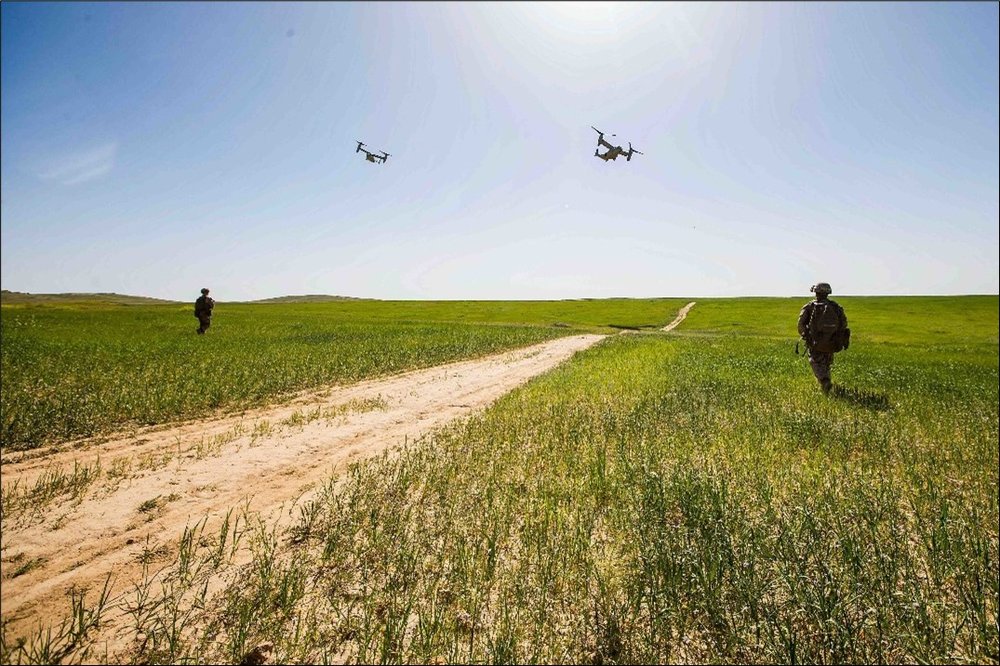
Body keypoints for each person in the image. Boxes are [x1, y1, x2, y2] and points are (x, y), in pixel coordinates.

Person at [797, 282, 849, 394]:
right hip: (832, 342)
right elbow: (843, 324)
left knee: (815, 362)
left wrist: (806, 335)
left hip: (815, 342)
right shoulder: (836, 307)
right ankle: (826, 386)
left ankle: (825, 382)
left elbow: (800, 324)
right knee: (826, 363)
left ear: (816, 292)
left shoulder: (809, 307)